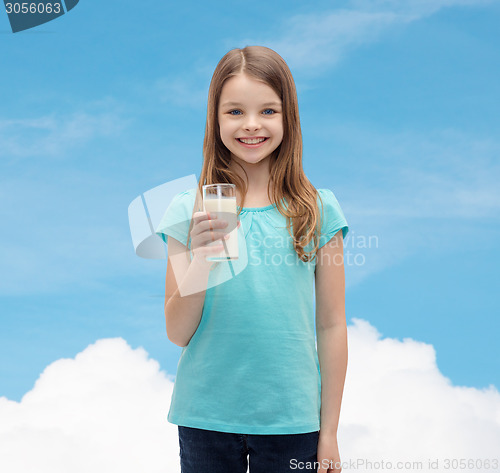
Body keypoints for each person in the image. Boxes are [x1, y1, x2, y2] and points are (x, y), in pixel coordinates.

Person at [155, 45, 349, 473]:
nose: (252, 125)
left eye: (268, 111)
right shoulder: (188, 210)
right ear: (215, 119)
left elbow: (331, 323)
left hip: (293, 421)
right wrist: (203, 258)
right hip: (204, 416)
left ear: (288, 118)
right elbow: (177, 332)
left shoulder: (318, 210)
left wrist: (329, 430)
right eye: (235, 112)